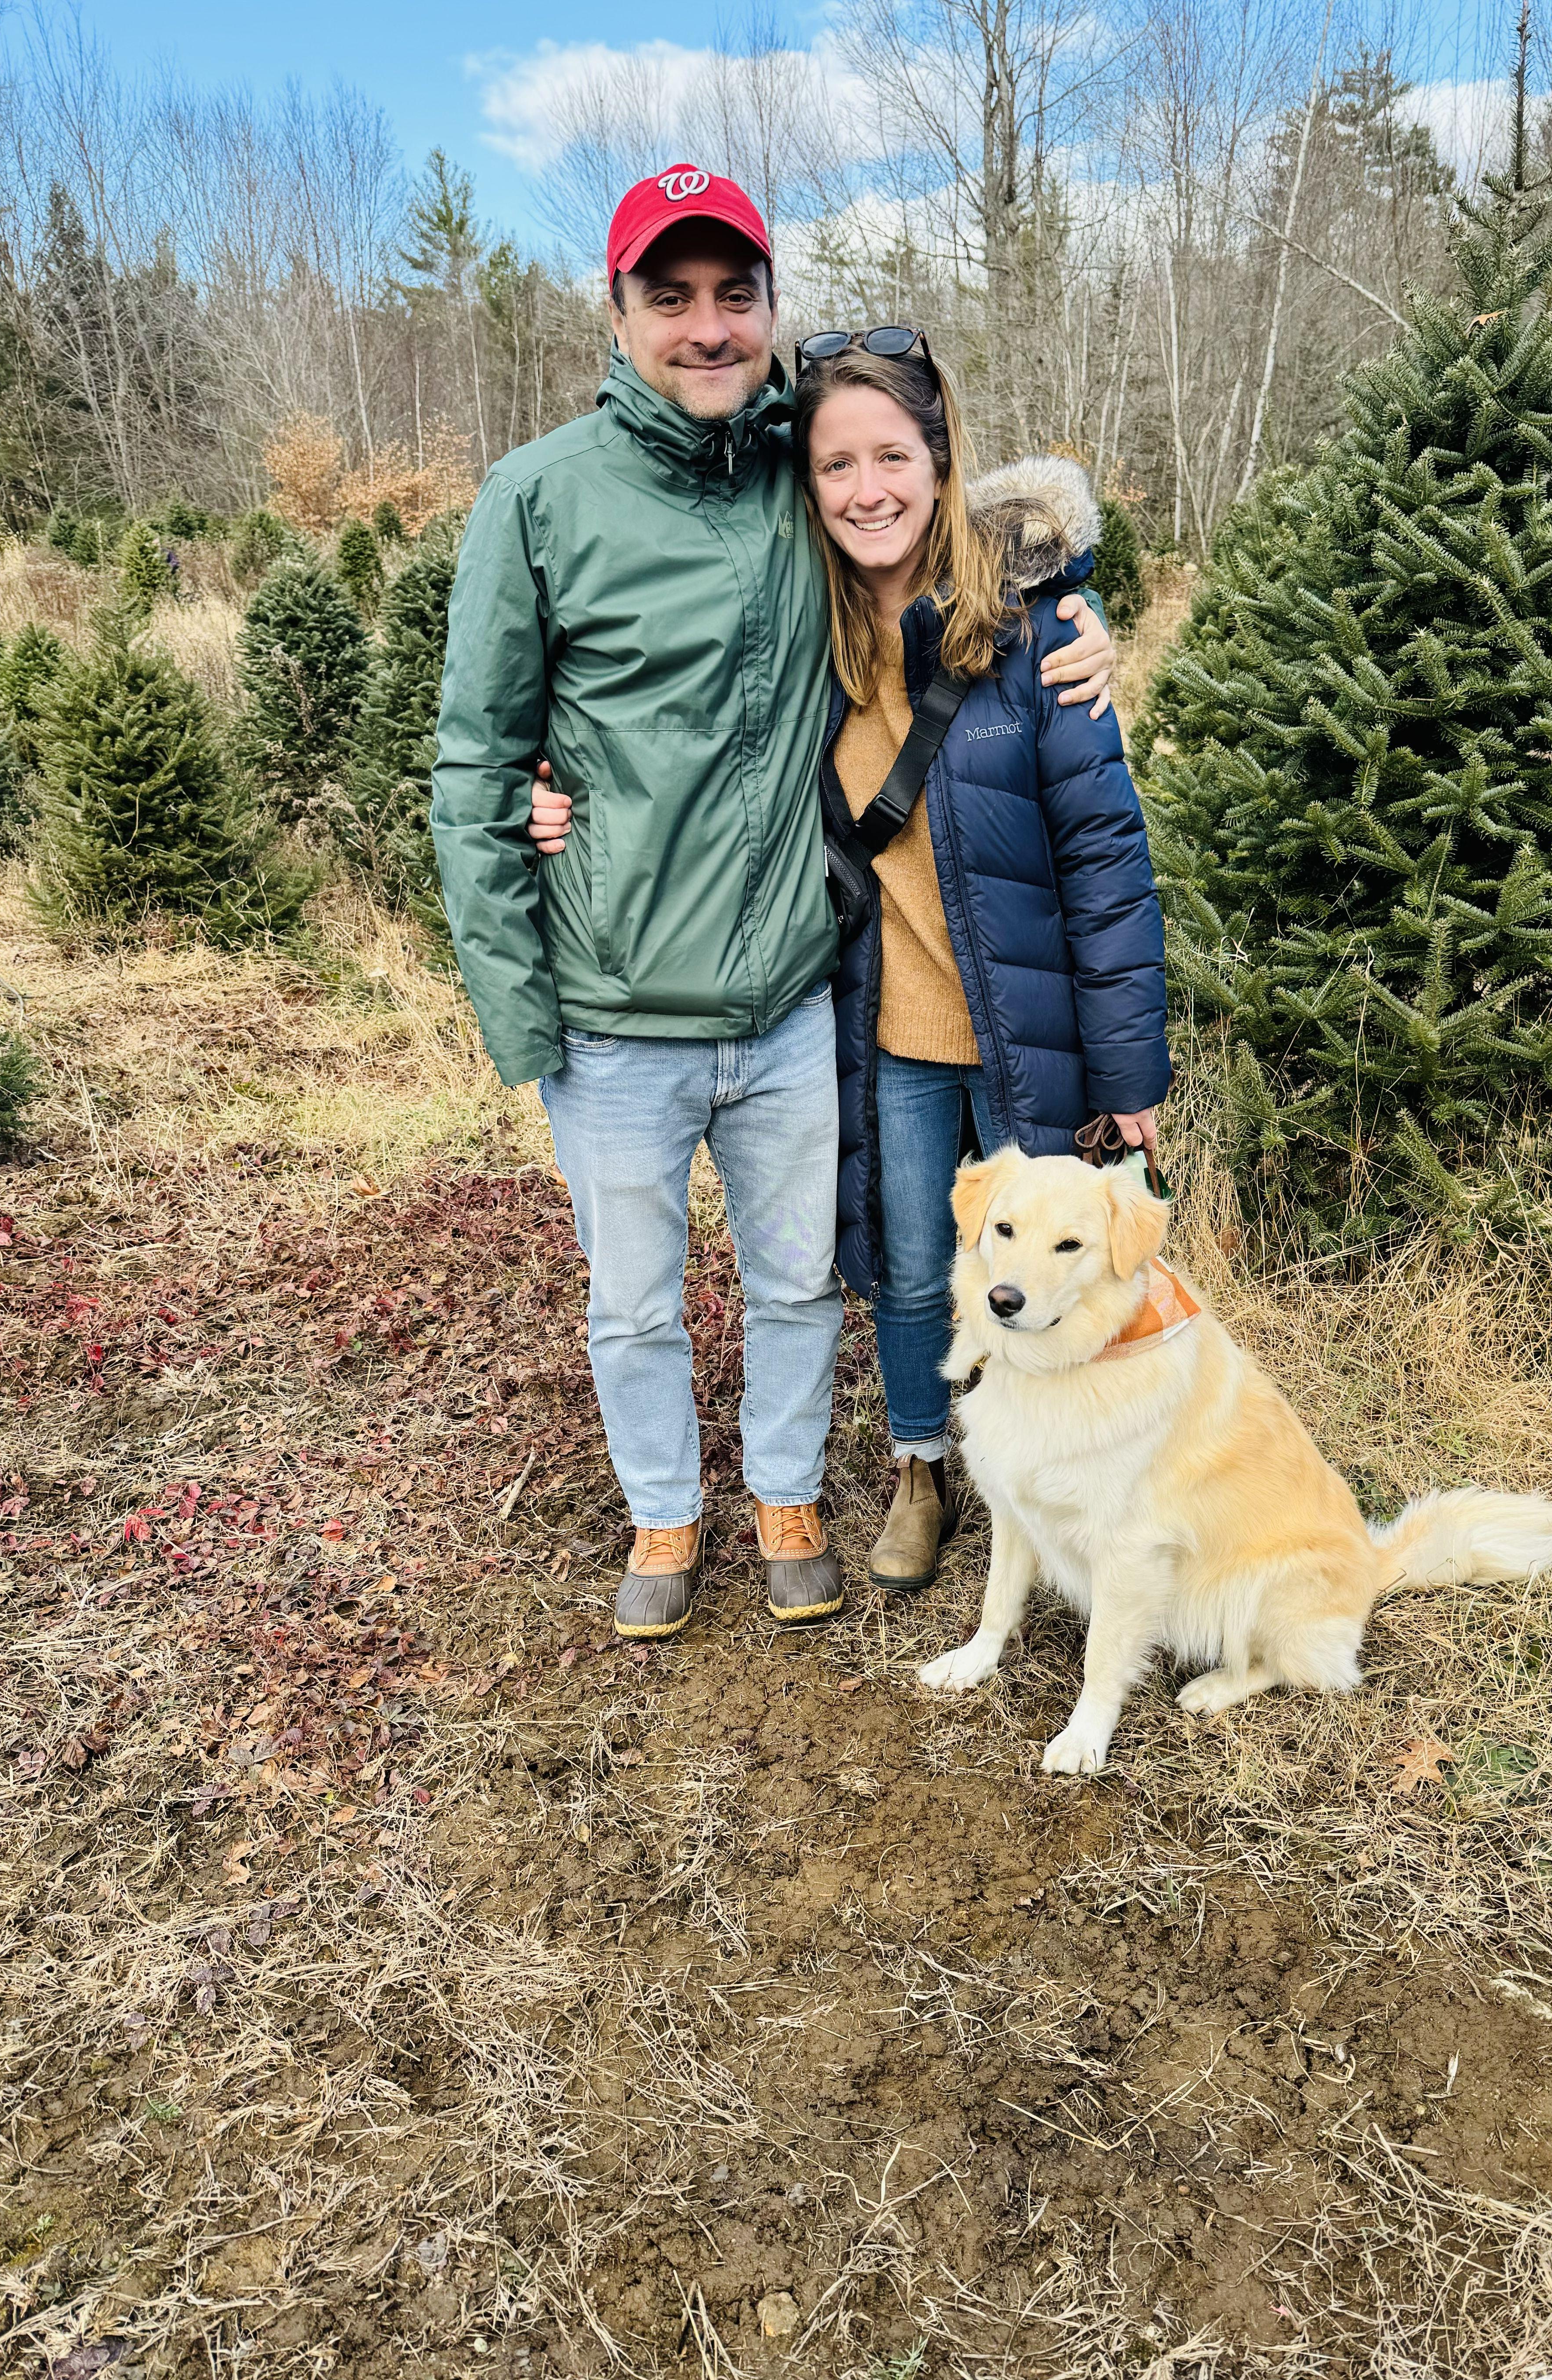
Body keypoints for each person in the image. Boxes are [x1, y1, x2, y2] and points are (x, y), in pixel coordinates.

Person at [431, 168, 1115, 1642]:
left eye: (733, 295)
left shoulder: (790, 478)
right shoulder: (535, 500)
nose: (706, 326)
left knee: (802, 1283)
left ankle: (790, 1492)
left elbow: (946, 515)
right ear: (617, 314)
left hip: (797, 1005)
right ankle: (666, 1516)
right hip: (612, 1016)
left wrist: (1082, 608)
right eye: (668, 298)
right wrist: (517, 1006)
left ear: (768, 310)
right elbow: (477, 757)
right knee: (632, 1302)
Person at [531, 330, 1169, 1597]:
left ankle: (1094, 1495)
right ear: (805, 484)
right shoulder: (803, 639)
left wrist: (1132, 1072)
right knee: (911, 1270)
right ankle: (925, 1468)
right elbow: (656, 725)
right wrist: (545, 788)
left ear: (941, 463)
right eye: (836, 465)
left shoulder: (1037, 631)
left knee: (1068, 1267)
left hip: (1030, 1031)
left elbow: (1106, 862)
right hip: (892, 1029)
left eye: (894, 456)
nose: (867, 488)